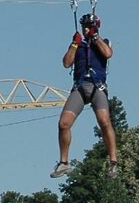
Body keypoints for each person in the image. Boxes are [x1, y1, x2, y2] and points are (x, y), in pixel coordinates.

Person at [51, 14, 118, 179]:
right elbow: (67, 63)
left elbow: (108, 54)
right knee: (63, 124)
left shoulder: (104, 42)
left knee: (104, 121)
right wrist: (75, 44)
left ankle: (113, 162)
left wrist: (95, 37)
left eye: (88, 26)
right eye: (84, 26)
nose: (85, 29)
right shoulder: (77, 45)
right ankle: (64, 163)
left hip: (97, 86)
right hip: (80, 87)